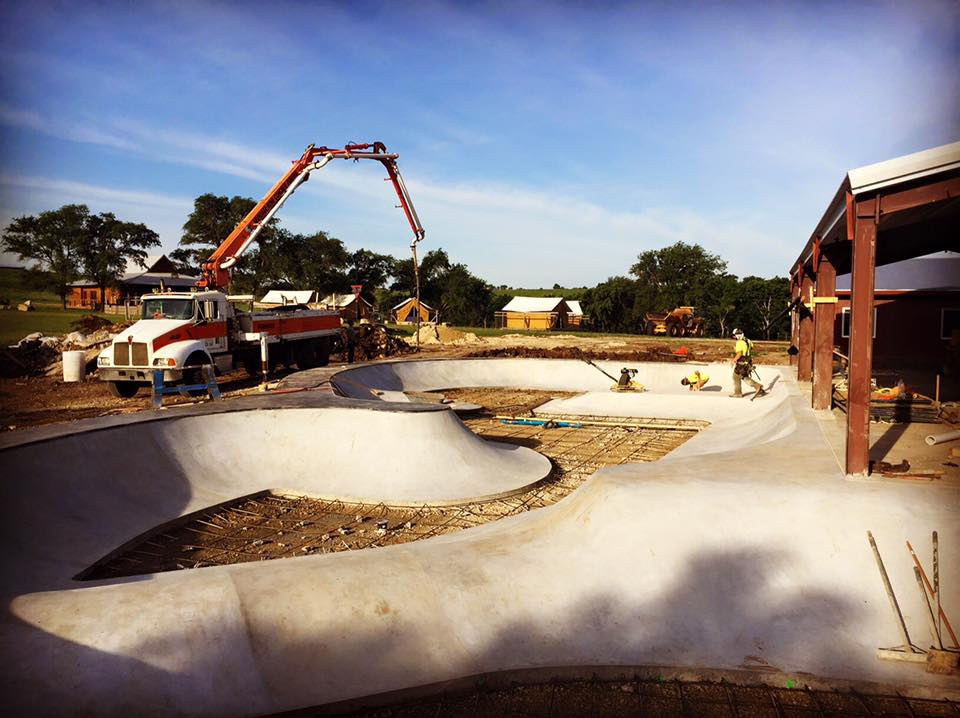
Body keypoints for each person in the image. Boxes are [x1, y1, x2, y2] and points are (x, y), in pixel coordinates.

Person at [730, 328, 765, 398]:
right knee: (744, 376)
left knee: (736, 376)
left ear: (737, 335)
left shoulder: (739, 342)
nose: (734, 337)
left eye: (734, 336)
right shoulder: (747, 340)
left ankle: (738, 393)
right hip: (748, 362)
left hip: (741, 363)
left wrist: (734, 360)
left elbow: (740, 353)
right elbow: (751, 347)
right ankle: (758, 387)